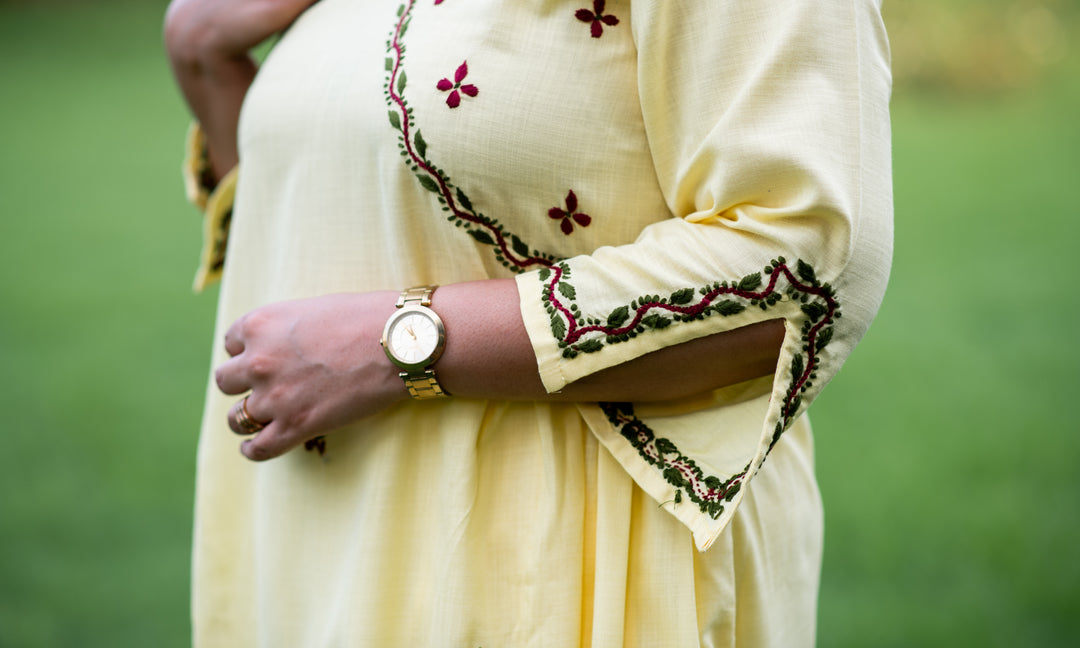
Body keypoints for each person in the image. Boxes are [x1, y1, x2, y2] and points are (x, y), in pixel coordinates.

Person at [165, 0, 892, 645]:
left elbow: (803, 264)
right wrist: (207, 66)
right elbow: (348, 214)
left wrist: (402, 344)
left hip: (554, 566)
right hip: (317, 543)